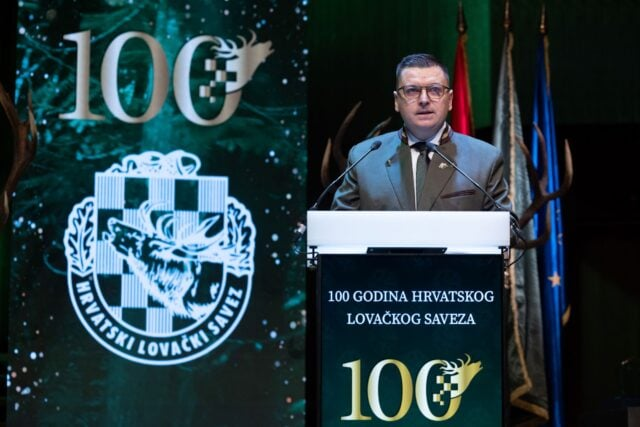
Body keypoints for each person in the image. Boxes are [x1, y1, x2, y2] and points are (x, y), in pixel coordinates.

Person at [331, 53, 511, 212]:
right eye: (411, 91)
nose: (424, 100)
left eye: (435, 90)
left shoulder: (485, 159)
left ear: (450, 100)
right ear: (396, 101)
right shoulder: (364, 158)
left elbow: (506, 230)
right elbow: (339, 229)